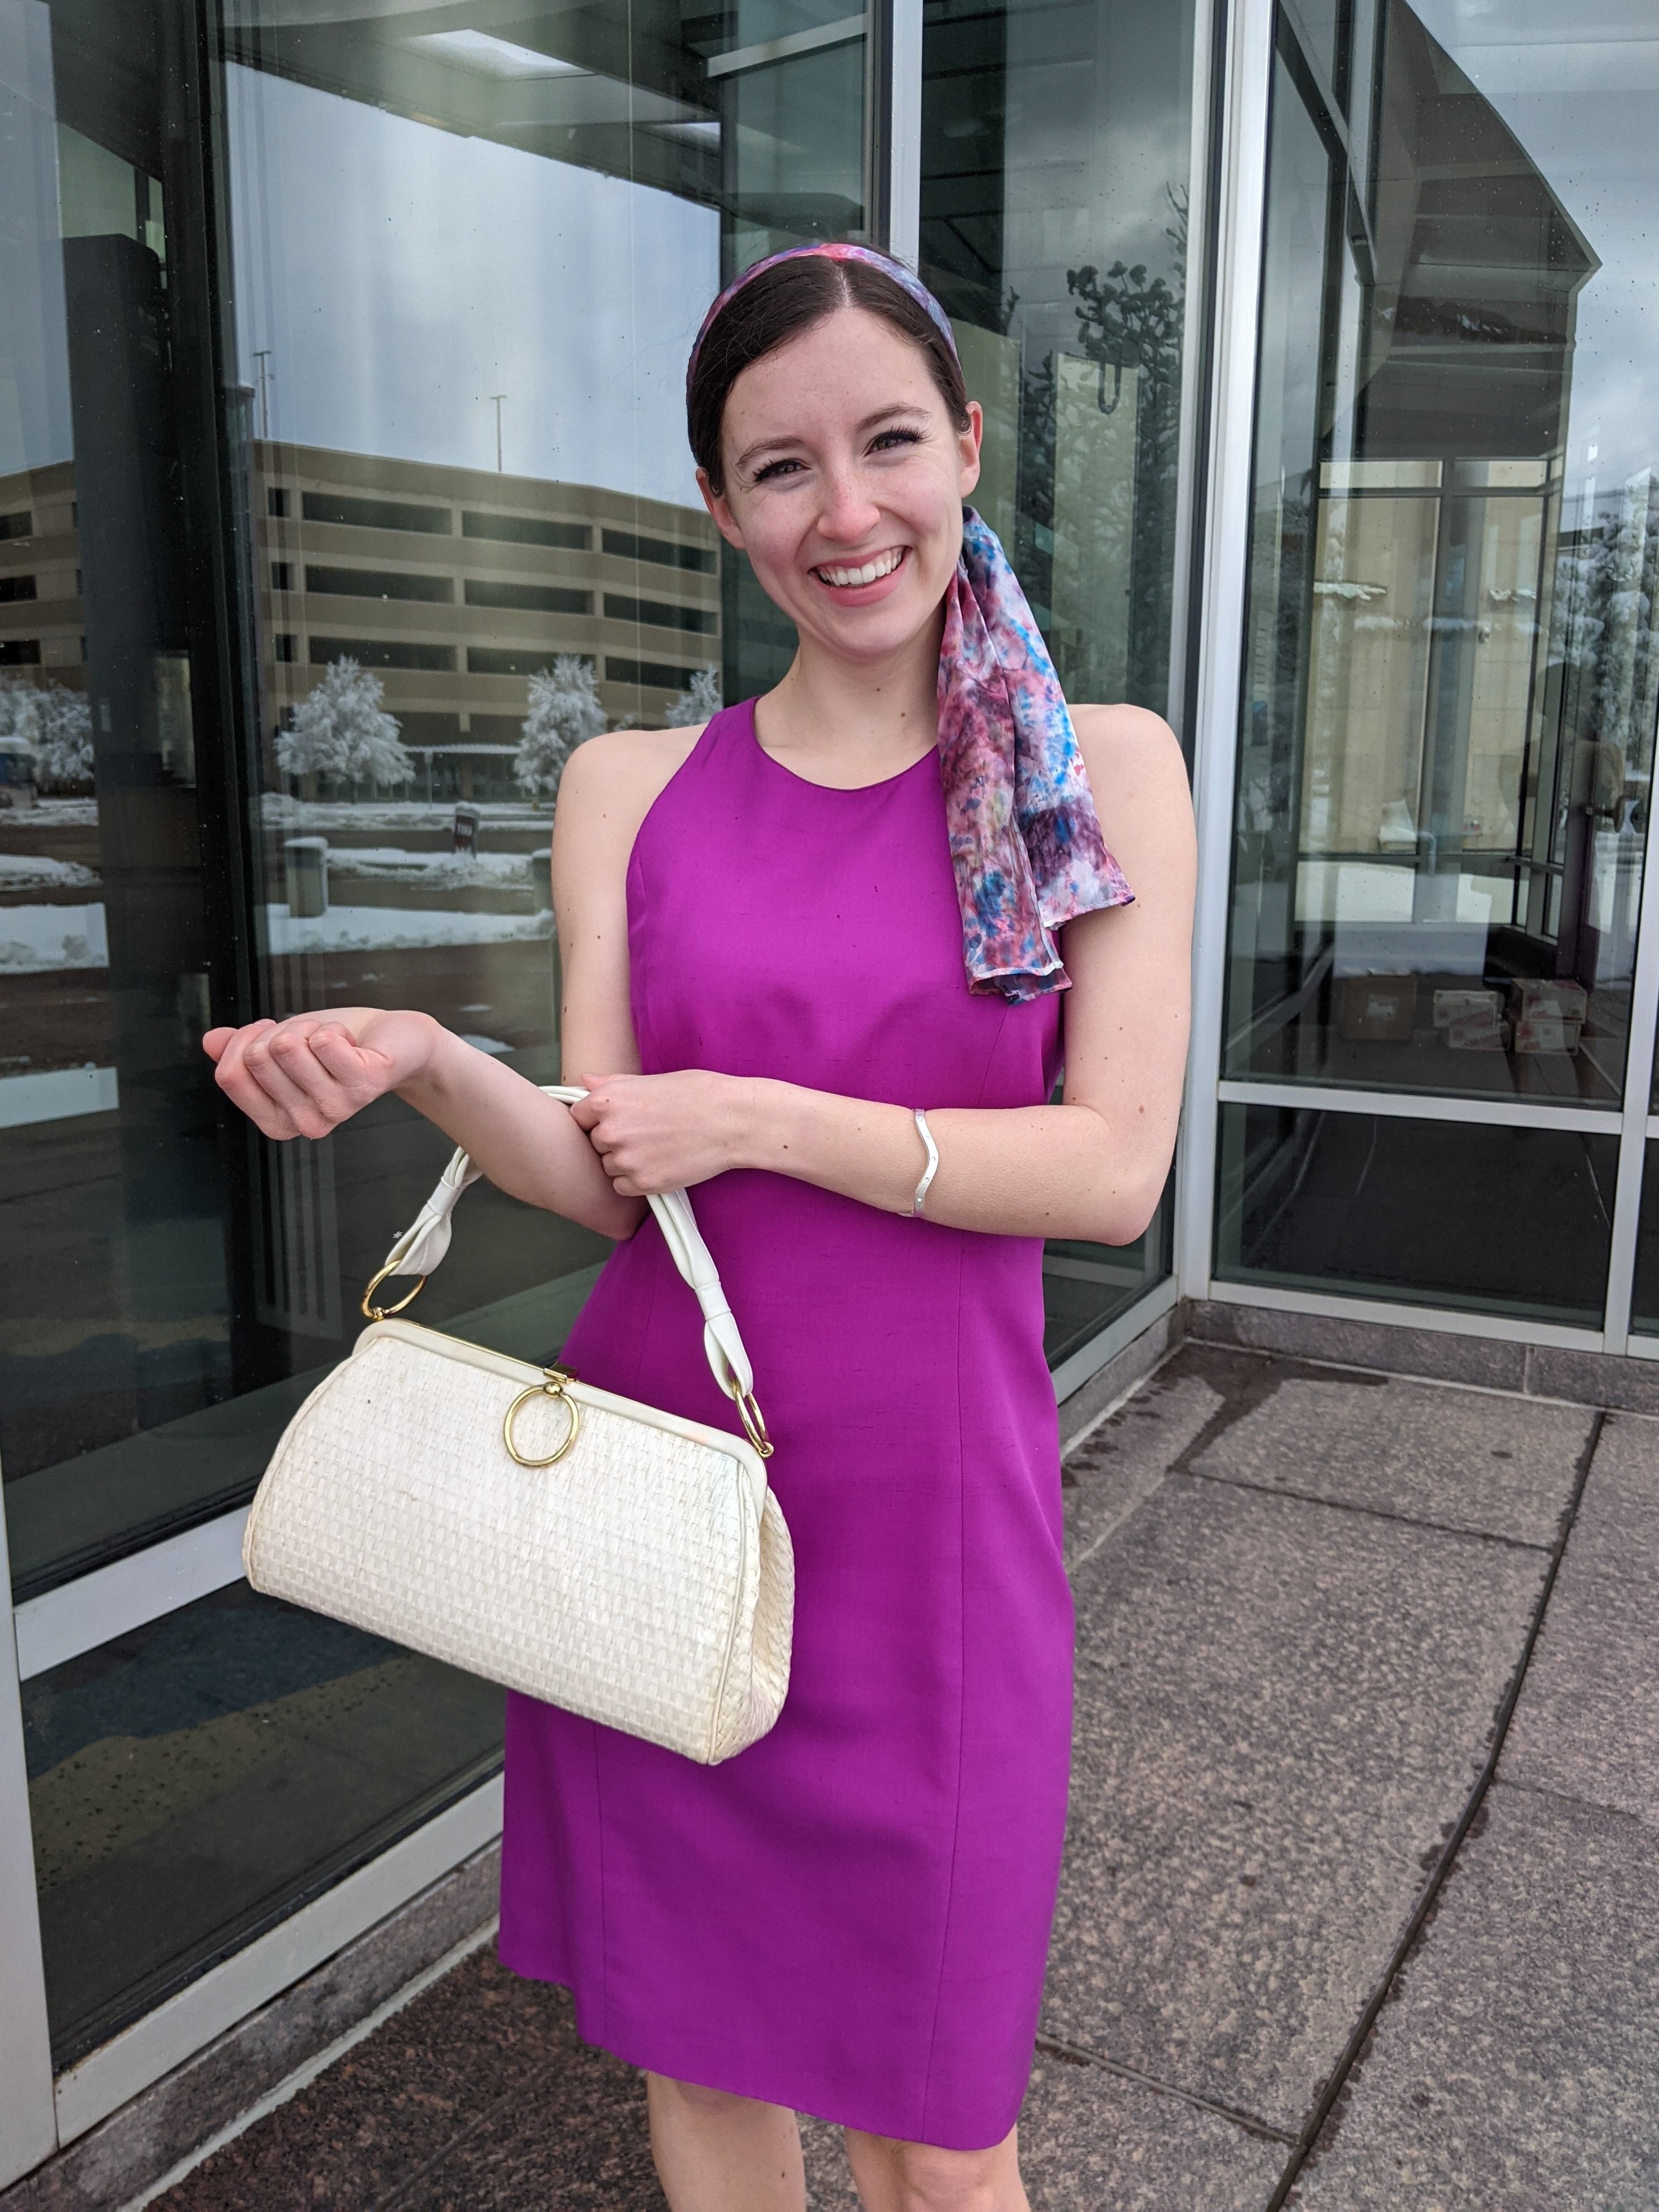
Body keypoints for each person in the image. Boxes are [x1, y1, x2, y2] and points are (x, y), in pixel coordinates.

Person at [206, 244, 1195, 2212]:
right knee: (707, 2077)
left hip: (934, 1548)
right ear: (719, 507)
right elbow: (600, 1169)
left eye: (890, 443)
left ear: (968, 446)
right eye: (780, 469)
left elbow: (1109, 1174)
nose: (849, 513)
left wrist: (764, 1117)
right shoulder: (629, 789)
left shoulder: (1103, 779)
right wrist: (427, 1058)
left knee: (946, 2133)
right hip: (660, 1508)